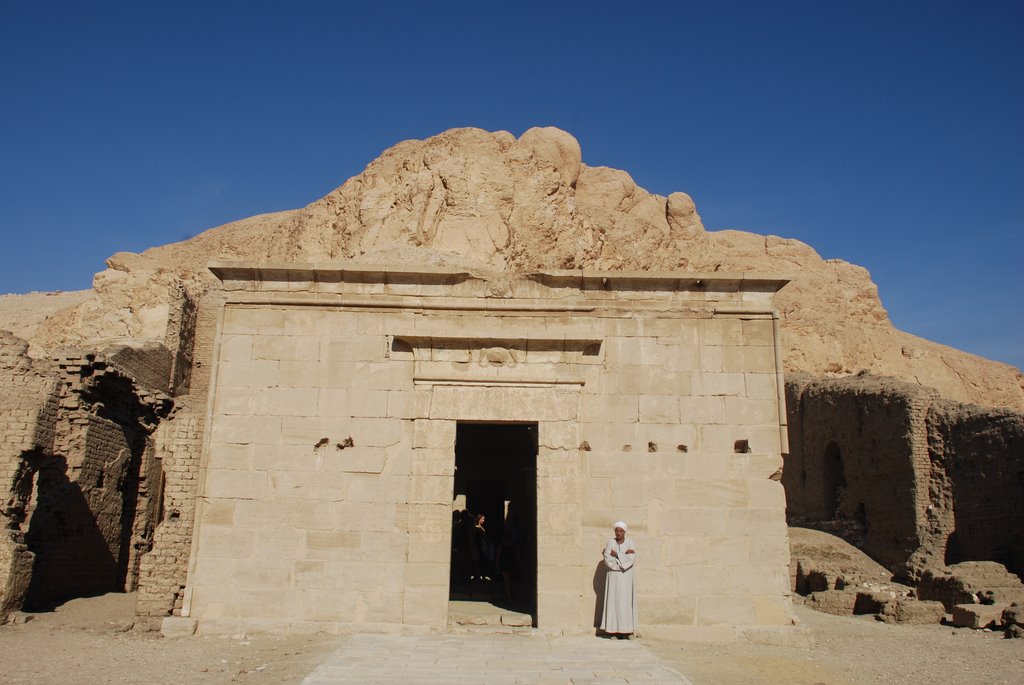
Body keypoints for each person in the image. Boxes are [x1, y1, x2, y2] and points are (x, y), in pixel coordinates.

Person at [600, 520, 637, 639]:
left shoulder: (630, 543)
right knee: (614, 602)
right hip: (614, 577)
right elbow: (607, 558)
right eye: (617, 531)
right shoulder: (610, 542)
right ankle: (613, 632)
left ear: (624, 532)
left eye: (621, 531)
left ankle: (627, 632)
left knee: (625, 603)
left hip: (626, 578)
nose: (619, 533)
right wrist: (622, 559)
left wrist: (617, 555)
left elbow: (631, 558)